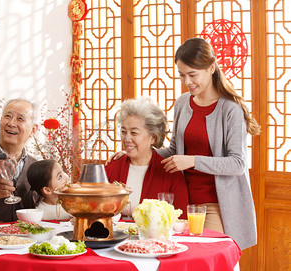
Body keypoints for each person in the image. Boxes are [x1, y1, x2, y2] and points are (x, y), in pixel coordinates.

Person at [157, 37, 260, 250]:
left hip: (215, 206)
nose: (187, 81)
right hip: (181, 202)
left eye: (193, 74)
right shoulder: (182, 103)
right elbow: (175, 152)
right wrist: (141, 151)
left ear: (211, 67)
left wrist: (193, 161)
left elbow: (237, 163)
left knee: (204, 258)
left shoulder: (230, 109)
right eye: (182, 75)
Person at [104, 97, 189, 219]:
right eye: (123, 132)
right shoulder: (112, 166)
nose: (127, 139)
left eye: (134, 133)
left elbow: (181, 221)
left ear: (153, 138)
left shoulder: (170, 173)